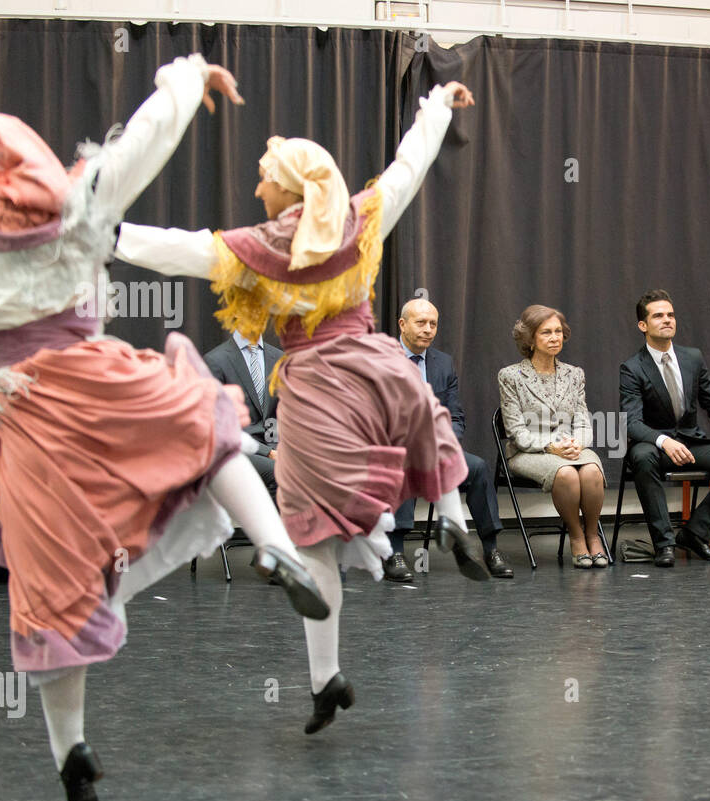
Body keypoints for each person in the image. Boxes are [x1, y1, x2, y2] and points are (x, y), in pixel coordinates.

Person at [0, 55, 331, 801]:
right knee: (203, 427)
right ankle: (273, 542)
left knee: (50, 584)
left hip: (33, 419)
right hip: (98, 377)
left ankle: (69, 749)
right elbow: (145, 141)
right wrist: (186, 79)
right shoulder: (81, 204)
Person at [115, 79, 485, 737]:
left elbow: (180, 250)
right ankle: (434, 525)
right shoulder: (362, 220)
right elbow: (409, 168)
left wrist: (106, 232)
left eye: (265, 181)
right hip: (373, 368)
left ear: (291, 188)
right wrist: (433, 107)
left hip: (316, 387)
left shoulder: (259, 250)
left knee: (311, 537)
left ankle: (326, 671)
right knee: (425, 419)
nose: (258, 191)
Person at [619, 290, 710, 567]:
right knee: (642, 457)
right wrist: (663, 441)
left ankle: (696, 533)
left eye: (670, 315)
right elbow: (631, 422)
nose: (667, 320)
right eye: (658, 316)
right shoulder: (632, 368)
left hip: (691, 441)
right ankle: (664, 544)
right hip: (655, 445)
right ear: (643, 326)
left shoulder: (692, 358)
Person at [386, 297, 512, 580]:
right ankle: (394, 551)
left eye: (433, 324)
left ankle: (491, 549)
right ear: (402, 325)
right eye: (421, 323)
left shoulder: (443, 363)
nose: (428, 329)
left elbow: (455, 416)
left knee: (477, 467)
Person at [498, 304, 606, 567]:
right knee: (567, 473)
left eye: (558, 331)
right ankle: (576, 536)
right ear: (530, 339)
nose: (555, 337)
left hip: (570, 446)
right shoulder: (510, 376)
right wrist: (550, 447)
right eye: (546, 332)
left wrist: (577, 443)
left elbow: (582, 419)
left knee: (591, 470)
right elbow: (516, 432)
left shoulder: (574, 374)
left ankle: (593, 535)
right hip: (528, 452)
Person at [204, 329, 283, 498]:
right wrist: (267, 452)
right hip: (238, 449)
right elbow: (215, 424)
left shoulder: (279, 358)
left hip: (277, 446)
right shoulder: (216, 360)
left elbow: (285, 412)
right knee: (278, 473)